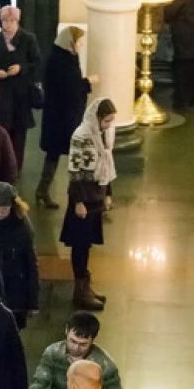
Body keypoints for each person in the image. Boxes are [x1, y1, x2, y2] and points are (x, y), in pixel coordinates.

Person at [61, 97, 117, 311]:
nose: (109, 125)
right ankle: (80, 291)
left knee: (88, 243)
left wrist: (108, 193)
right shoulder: (82, 136)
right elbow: (75, 172)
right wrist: (79, 202)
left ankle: (86, 286)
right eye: (106, 121)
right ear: (96, 118)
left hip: (96, 194)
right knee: (80, 243)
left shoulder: (104, 135)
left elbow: (107, 165)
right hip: (83, 196)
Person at [36, 26, 98, 209]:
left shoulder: (65, 57)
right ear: (70, 43)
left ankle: (43, 190)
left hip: (62, 115)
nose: (81, 45)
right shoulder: (60, 61)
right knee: (74, 155)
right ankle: (79, 196)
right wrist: (88, 82)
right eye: (79, 42)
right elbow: (69, 88)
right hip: (62, 116)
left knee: (55, 154)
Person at [29, 311, 124, 389]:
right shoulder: (53, 353)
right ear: (66, 331)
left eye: (83, 344)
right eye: (72, 341)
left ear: (93, 340)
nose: (76, 348)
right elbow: (37, 385)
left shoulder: (105, 366)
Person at [0, 6, 41, 170]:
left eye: (12, 21)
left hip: (21, 92)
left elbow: (36, 62)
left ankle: (16, 165)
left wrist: (20, 68)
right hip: (2, 91)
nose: (8, 24)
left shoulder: (28, 38)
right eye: (5, 20)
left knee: (19, 130)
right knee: (3, 128)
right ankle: (2, 162)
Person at [0, 182, 39, 329]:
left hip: (16, 291)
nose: (0, 213)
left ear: (13, 206)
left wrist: (33, 302)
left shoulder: (23, 228)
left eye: (4, 209)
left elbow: (31, 264)